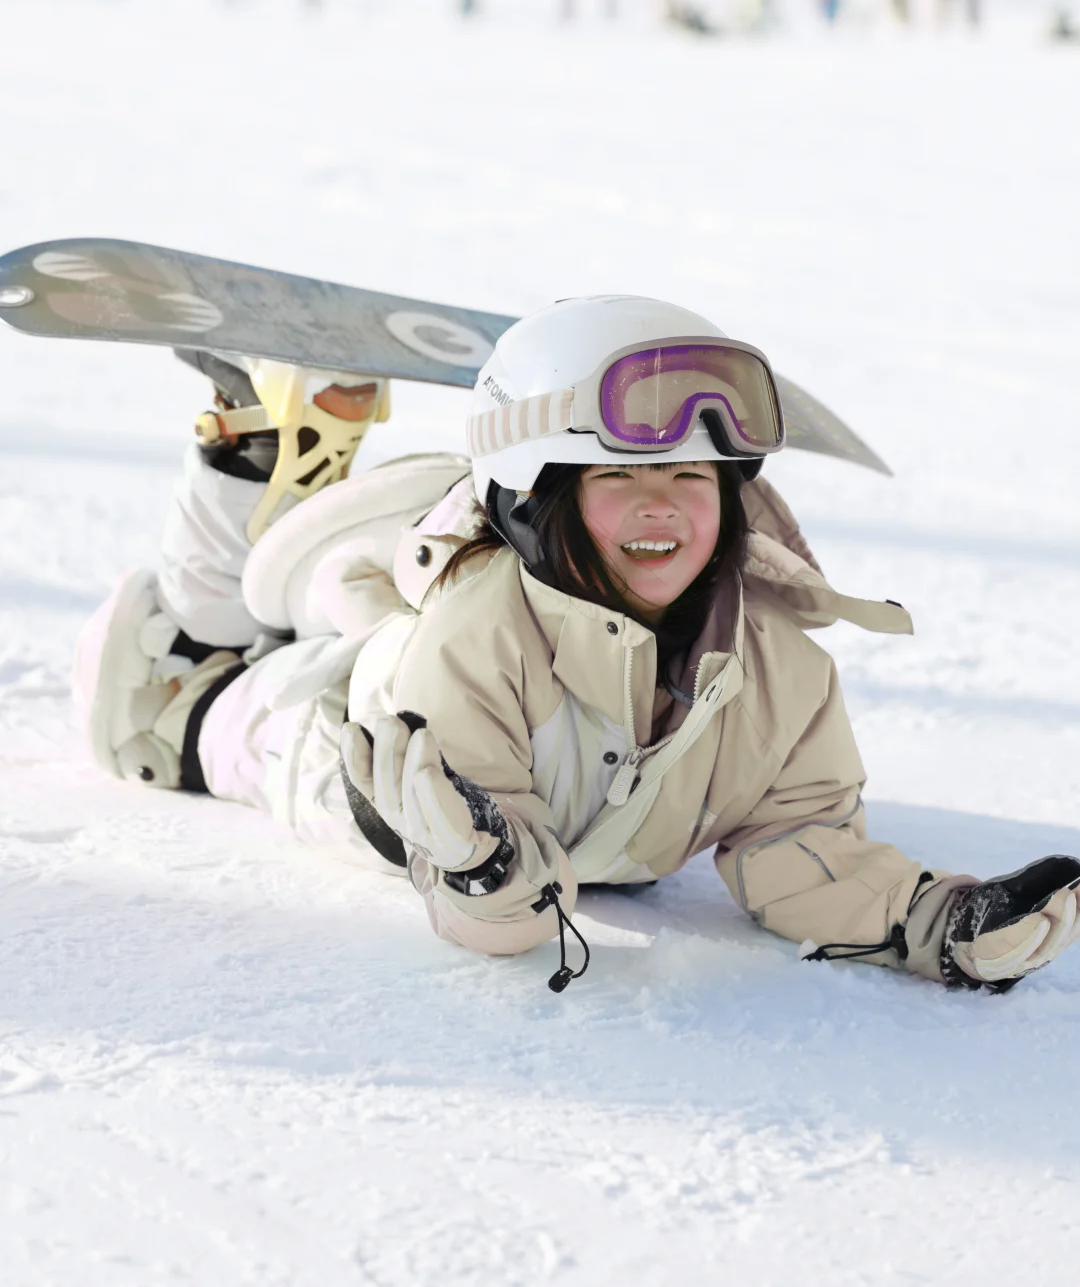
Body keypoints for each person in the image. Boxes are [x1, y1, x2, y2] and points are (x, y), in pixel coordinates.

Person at [74, 296, 1080, 994]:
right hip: (321, 746)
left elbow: (798, 843)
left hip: (491, 712)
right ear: (539, 503)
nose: (663, 509)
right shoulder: (477, 635)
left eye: (694, 480)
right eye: (618, 480)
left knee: (330, 594)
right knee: (181, 692)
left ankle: (296, 476)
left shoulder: (778, 665)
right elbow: (496, 910)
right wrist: (487, 872)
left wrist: (931, 922)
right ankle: (249, 447)